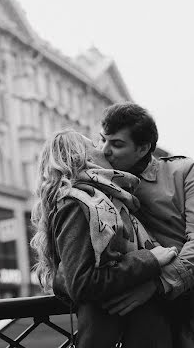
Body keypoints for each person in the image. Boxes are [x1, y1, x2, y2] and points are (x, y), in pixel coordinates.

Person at [31, 129, 178, 348]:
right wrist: (149, 259)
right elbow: (82, 283)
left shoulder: (105, 198)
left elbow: (70, 277)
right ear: (83, 157)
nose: (104, 149)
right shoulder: (76, 204)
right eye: (95, 144)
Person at [94, 102, 194, 347]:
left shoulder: (183, 171)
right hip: (141, 318)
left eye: (116, 144)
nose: (105, 150)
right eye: (102, 140)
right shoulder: (95, 185)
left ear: (143, 148)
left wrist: (157, 284)